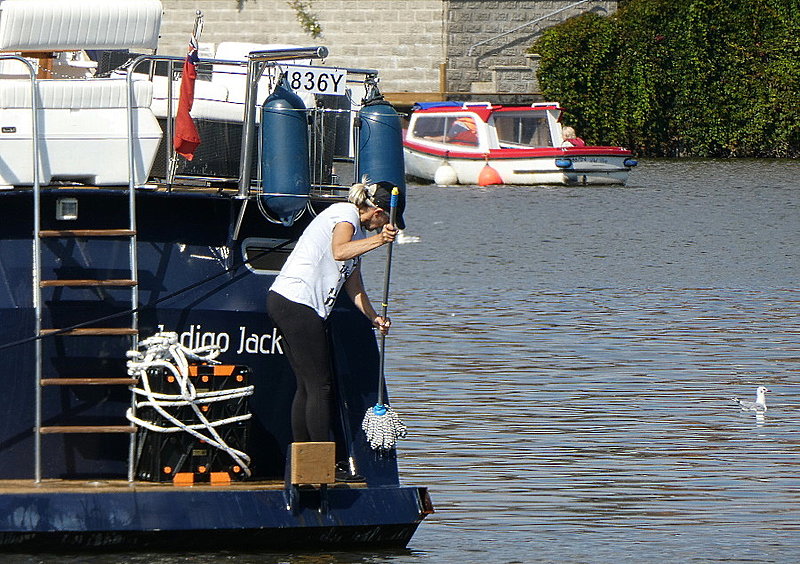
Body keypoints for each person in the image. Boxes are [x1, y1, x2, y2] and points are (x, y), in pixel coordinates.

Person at [267, 180, 405, 475]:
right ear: (378, 213)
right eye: (385, 223)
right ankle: (321, 466)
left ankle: (304, 464)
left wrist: (374, 317)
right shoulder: (345, 214)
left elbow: (354, 287)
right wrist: (380, 241)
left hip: (291, 303)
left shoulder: (358, 236)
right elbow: (339, 251)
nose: (383, 228)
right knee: (321, 386)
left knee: (307, 386)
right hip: (296, 302)